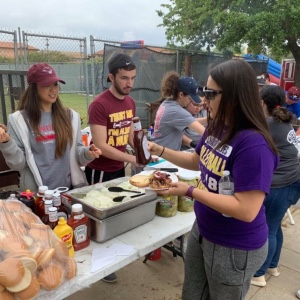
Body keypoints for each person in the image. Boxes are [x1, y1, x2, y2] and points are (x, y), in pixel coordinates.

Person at [148, 59, 278, 300]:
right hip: (204, 229)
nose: (203, 100)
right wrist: (160, 150)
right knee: (193, 294)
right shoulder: (217, 126)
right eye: (202, 91)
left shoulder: (253, 145)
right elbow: (196, 161)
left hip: (235, 245)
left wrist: (189, 191)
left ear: (235, 96)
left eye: (210, 93)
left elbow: (246, 209)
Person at [0, 63, 101, 193]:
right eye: (47, 85)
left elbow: (76, 153)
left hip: (69, 191)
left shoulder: (70, 116)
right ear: (33, 88)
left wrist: (88, 153)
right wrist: (6, 143)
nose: (53, 90)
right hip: (39, 194)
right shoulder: (19, 120)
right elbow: (18, 164)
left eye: (55, 84)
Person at [84, 53, 141, 283]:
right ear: (111, 77)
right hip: (100, 169)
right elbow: (101, 145)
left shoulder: (129, 101)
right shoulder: (99, 104)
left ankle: (111, 257)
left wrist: (140, 148)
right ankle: (99, 265)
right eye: (124, 78)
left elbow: (127, 133)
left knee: (116, 213)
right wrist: (132, 159)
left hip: (119, 167)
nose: (129, 83)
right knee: (98, 216)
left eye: (132, 78)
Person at [251, 85, 300, 287]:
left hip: (281, 183)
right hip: (292, 181)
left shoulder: (267, 124)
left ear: (262, 103)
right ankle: (272, 265)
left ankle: (259, 274)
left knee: (268, 228)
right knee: (275, 225)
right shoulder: (285, 120)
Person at [151, 72, 206, 151]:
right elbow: (203, 132)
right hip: (163, 158)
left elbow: (191, 121)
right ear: (181, 95)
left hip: (158, 151)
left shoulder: (167, 104)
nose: (190, 102)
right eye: (190, 99)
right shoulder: (176, 111)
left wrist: (207, 119)